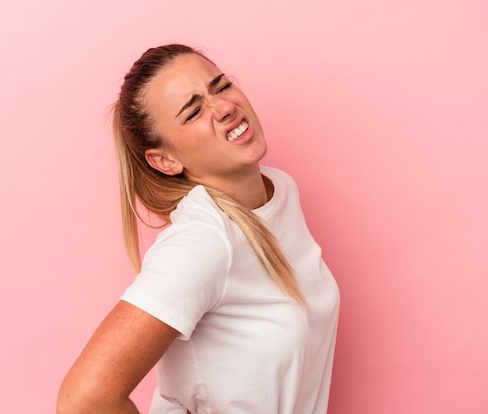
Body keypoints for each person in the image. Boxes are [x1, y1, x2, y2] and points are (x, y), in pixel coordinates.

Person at [56, 44, 340, 414]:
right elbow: (84, 399)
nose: (224, 107)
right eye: (193, 112)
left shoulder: (279, 188)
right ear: (165, 160)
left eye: (221, 86)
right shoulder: (203, 240)